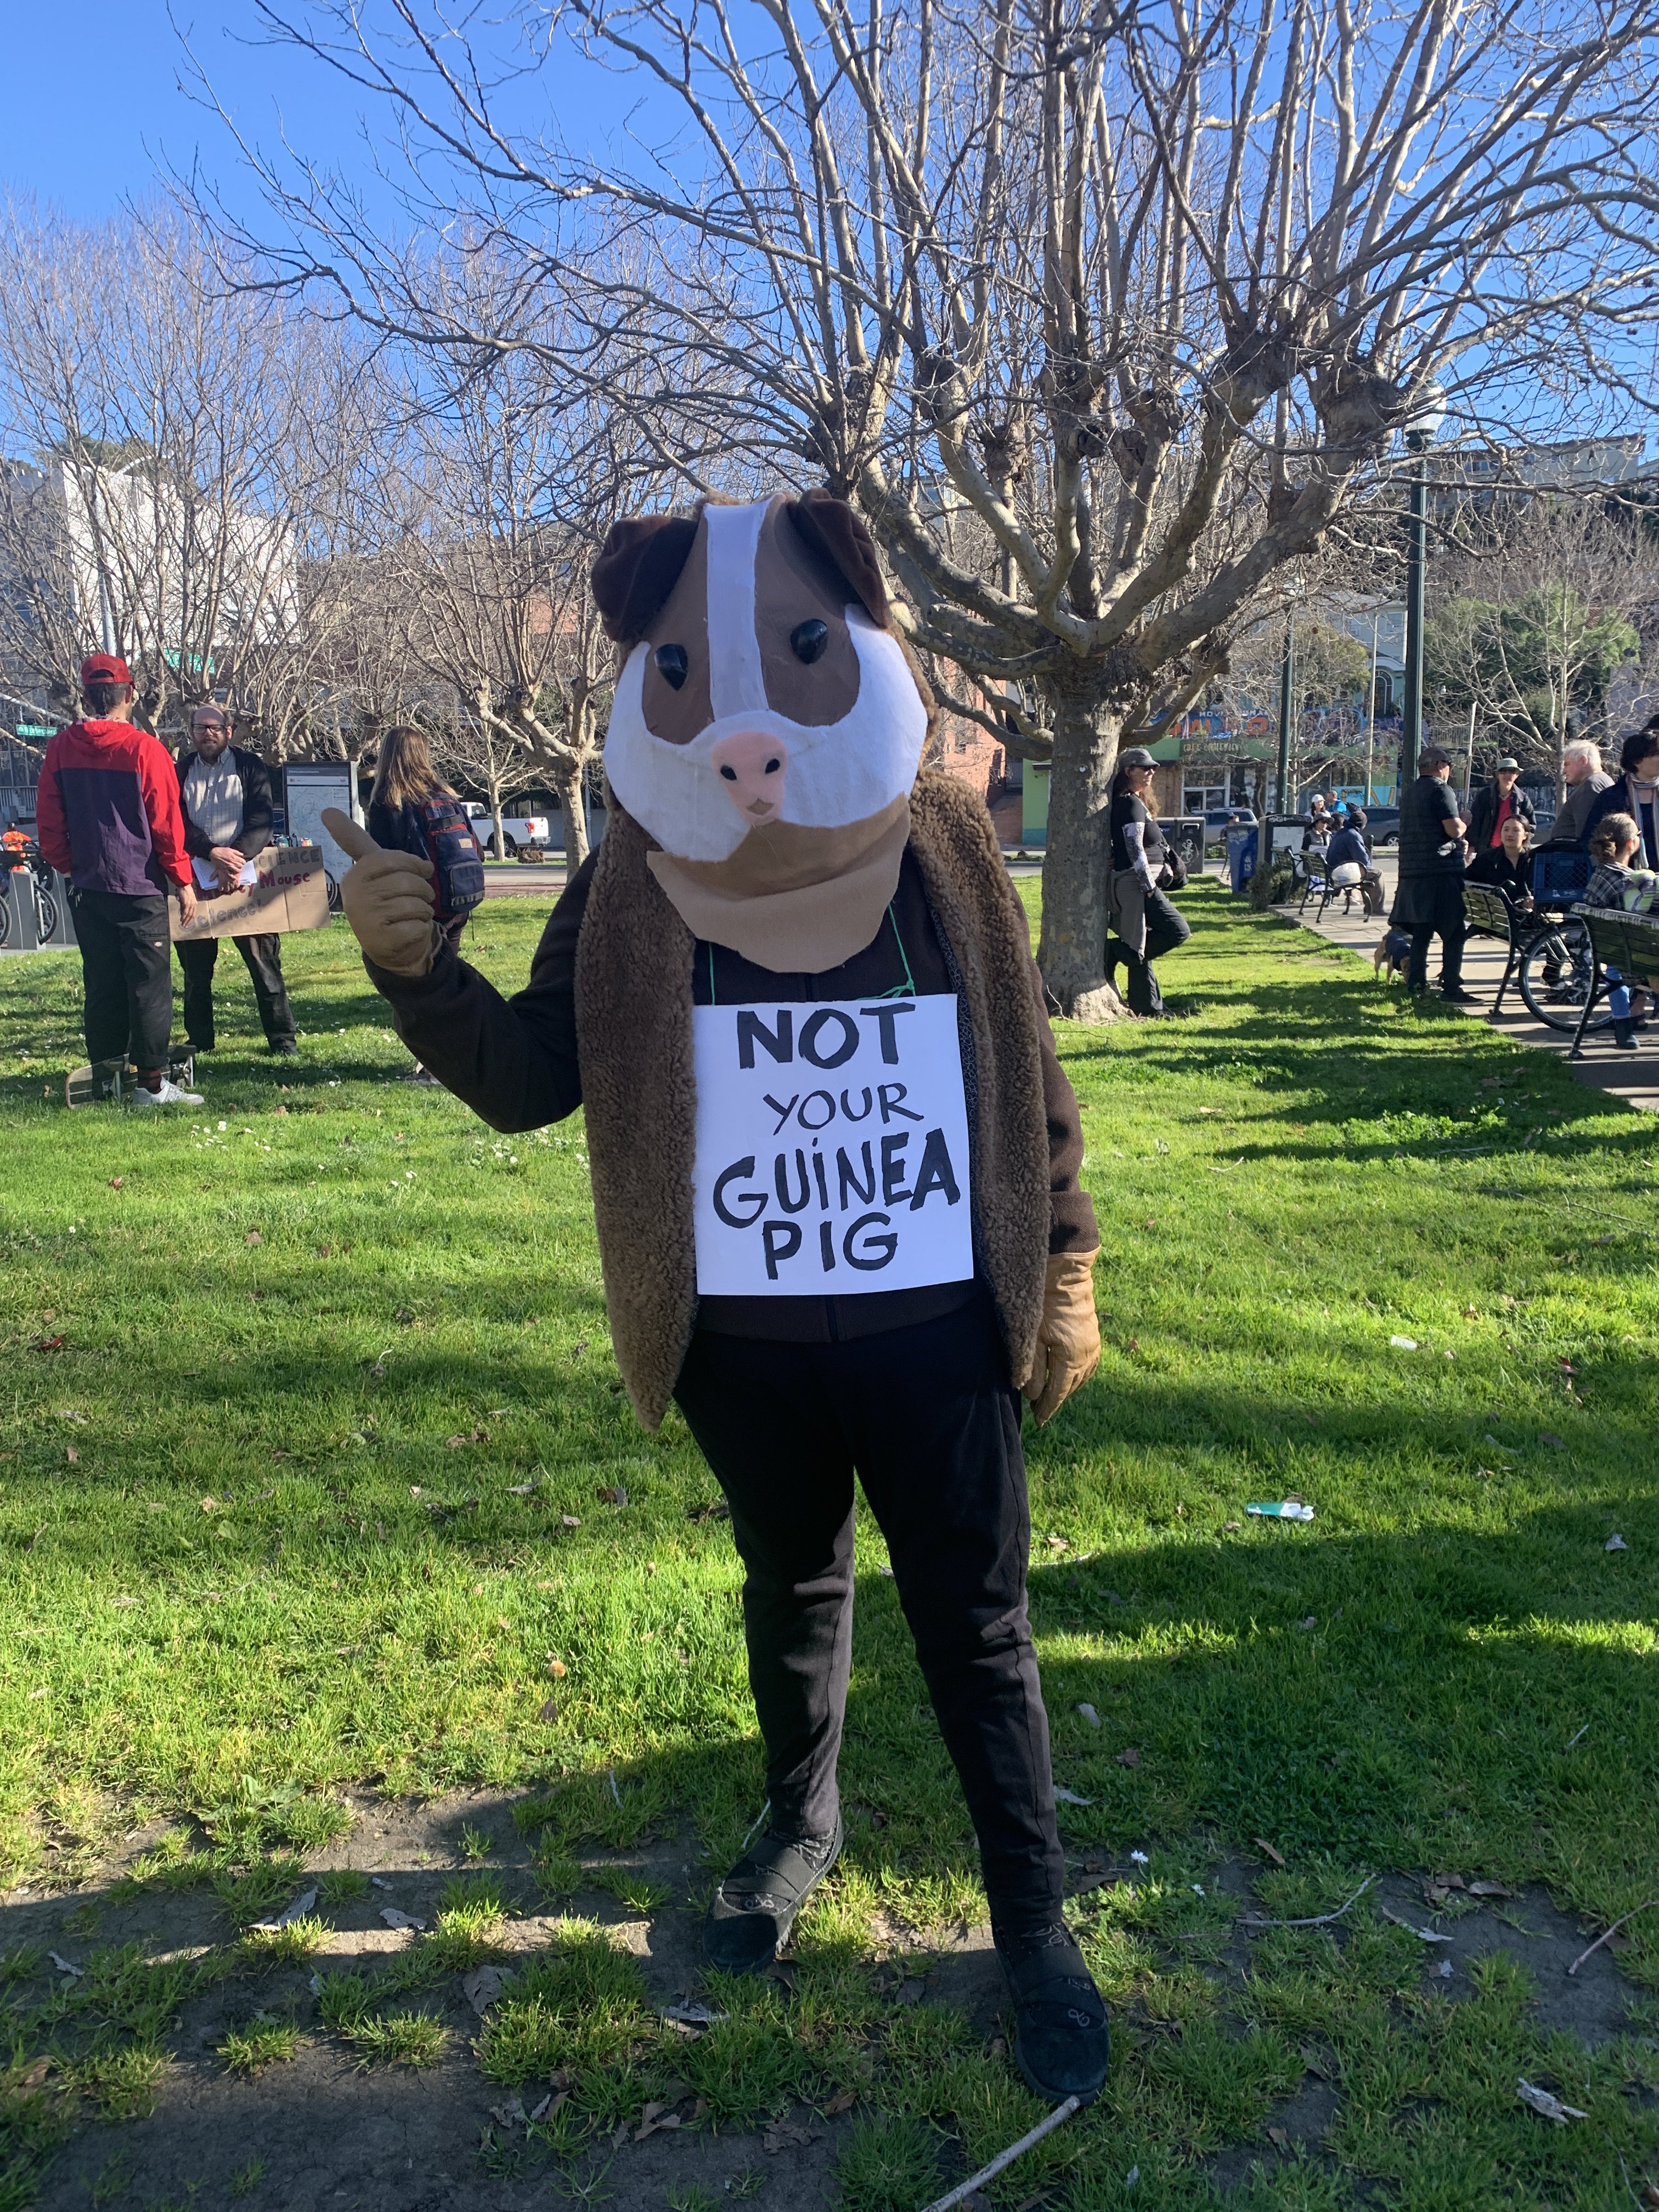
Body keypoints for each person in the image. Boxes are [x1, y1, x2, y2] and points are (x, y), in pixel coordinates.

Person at [327, 490, 1111, 2107]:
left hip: (936, 1332)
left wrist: (1074, 1258)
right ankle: (794, 1827)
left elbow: (1021, 1072)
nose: (749, 721)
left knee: (977, 1627)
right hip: (744, 1348)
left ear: (862, 635)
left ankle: (1034, 1927)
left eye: (804, 653)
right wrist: (418, 982)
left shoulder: (943, 844)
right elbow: (537, 1078)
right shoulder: (632, 878)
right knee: (795, 1588)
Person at [34, 654, 202, 1108]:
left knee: (103, 982)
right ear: (129, 695)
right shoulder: (145, 749)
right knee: (149, 984)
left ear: (88, 696)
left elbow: (48, 822)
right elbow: (166, 823)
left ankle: (106, 1078)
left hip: (88, 886)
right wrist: (182, 880)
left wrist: (70, 867)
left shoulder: (60, 748)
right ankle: (150, 1084)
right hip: (139, 886)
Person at [173, 703, 297, 1057]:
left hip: (248, 877)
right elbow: (176, 822)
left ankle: (282, 1041)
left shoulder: (250, 766)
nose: (207, 733)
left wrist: (235, 859)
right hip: (197, 878)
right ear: (192, 733)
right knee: (196, 974)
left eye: (215, 728)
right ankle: (200, 1041)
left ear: (229, 732)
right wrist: (213, 853)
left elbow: (262, 820)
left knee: (265, 967)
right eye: (200, 728)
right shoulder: (180, 770)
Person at [366, 726, 480, 1085]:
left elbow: (378, 859)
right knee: (447, 982)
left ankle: (436, 1067)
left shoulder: (389, 801)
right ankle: (452, 1058)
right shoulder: (446, 795)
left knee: (421, 990)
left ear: (388, 756)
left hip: (419, 904)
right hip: (457, 902)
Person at [1105, 746, 1190, 1017]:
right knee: (1177, 930)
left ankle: (1149, 1008)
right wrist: (1150, 887)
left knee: (1142, 945)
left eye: (1153, 767)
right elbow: (1134, 848)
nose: (1151, 771)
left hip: (1142, 883)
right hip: (1137, 884)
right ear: (1129, 771)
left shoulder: (1137, 801)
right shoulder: (1129, 803)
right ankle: (1114, 951)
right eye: (1145, 768)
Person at [1392, 744, 1476, 1002]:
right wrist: (1464, 821)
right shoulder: (1441, 790)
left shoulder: (1410, 794)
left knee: (1422, 933)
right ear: (1440, 765)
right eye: (1449, 765)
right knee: (1454, 933)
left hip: (1413, 873)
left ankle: (1417, 982)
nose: (1450, 770)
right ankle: (1451, 986)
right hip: (1441, 873)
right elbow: (1453, 829)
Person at [1580, 812, 1659, 1048]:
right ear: (1631, 844)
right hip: (1641, 966)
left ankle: (1623, 1026)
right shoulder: (1635, 883)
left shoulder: (1599, 877)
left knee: (1615, 964)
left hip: (1612, 956)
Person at [1582, 720, 1659, 871]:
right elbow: (1591, 839)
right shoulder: (1612, 797)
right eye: (1657, 754)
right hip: (1625, 879)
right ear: (1638, 761)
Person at [1541, 740, 1613, 850]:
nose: (1564, 771)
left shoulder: (1590, 786)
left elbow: (1587, 833)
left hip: (1574, 860)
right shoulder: (1602, 781)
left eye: (1567, 764)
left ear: (1583, 761)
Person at [1464, 756, 1537, 852]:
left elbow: (1531, 826)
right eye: (1503, 771)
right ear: (1497, 775)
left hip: (1513, 852)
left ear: (1517, 775)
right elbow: (1475, 822)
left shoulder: (1523, 799)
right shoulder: (1485, 796)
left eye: (1511, 771)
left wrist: (1521, 842)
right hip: (1487, 851)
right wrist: (1472, 846)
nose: (1507, 775)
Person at [1465, 811, 1534, 909]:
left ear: (1525, 835)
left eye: (1516, 830)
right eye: (1506, 830)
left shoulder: (1535, 860)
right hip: (1496, 914)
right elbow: (1468, 881)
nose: (1510, 834)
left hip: (1530, 916)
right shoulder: (1488, 858)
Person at [1325, 808, 1384, 917]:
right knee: (1377, 873)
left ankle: (1369, 907)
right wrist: (1369, 869)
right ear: (1362, 825)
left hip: (1333, 870)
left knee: (1367, 873)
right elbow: (1363, 861)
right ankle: (1375, 909)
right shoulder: (1353, 835)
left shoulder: (1341, 832)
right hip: (1341, 874)